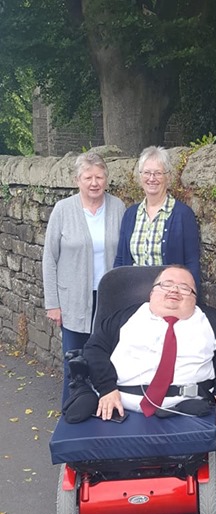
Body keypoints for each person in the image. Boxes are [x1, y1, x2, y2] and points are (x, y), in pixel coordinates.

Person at [83, 265, 216, 427]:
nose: (174, 290)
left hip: (187, 411)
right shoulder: (125, 318)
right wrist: (106, 388)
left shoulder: (211, 322)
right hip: (121, 409)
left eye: (184, 288)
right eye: (166, 284)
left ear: (195, 298)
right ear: (152, 292)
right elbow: (94, 348)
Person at [43, 151, 125, 404]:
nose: (94, 183)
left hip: (109, 300)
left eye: (99, 176)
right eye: (88, 177)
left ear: (106, 179)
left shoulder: (118, 207)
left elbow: (124, 254)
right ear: (77, 180)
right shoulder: (63, 210)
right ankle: (71, 411)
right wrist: (53, 303)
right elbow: (49, 258)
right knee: (74, 361)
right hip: (74, 299)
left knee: (108, 358)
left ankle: (104, 412)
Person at [113, 146, 201, 295]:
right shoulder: (130, 214)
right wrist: (117, 294)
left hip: (169, 297)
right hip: (133, 295)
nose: (152, 178)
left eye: (158, 173)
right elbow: (121, 260)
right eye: (147, 173)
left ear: (168, 177)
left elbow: (192, 262)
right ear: (140, 176)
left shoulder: (183, 215)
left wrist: (191, 296)